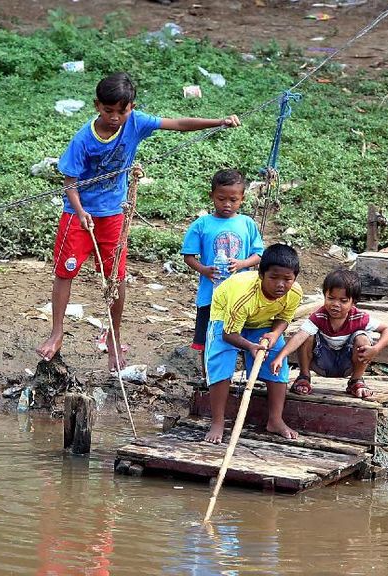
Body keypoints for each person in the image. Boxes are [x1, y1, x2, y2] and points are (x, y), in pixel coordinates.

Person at [35, 71, 241, 371]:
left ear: (131, 106)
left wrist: (219, 121)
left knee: (116, 279)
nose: (116, 117)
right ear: (97, 106)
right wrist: (80, 212)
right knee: (65, 273)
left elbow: (178, 124)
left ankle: (114, 338)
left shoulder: (136, 122)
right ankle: (57, 332)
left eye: (122, 110)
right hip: (78, 217)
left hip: (113, 216)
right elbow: (69, 182)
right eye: (109, 111)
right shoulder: (83, 139)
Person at [203, 244, 303, 443]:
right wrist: (250, 346)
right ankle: (218, 421)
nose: (281, 285)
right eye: (274, 278)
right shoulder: (243, 294)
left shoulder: (295, 293)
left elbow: (283, 318)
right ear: (261, 275)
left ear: (294, 278)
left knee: (277, 362)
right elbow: (229, 335)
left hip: (262, 321)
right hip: (226, 319)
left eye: (287, 279)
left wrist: (274, 334)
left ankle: (275, 420)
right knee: (221, 362)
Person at [181, 169, 264, 376]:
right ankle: (207, 375)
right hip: (211, 295)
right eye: (221, 199)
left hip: (242, 295)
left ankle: (241, 374)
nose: (227, 204)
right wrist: (204, 270)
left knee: (241, 332)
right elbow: (189, 256)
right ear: (212, 196)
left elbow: (259, 255)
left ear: (242, 199)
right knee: (207, 335)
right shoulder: (201, 224)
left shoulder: (247, 223)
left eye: (233, 200)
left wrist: (243, 263)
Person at [269, 268, 388, 399]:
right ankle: (304, 376)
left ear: (354, 302)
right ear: (324, 295)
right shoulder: (319, 316)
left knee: (362, 339)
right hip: (321, 363)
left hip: (348, 365)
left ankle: (356, 380)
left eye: (343, 300)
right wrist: (280, 357)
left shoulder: (358, 317)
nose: (335, 304)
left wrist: (375, 349)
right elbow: (299, 336)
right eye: (331, 298)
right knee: (307, 334)